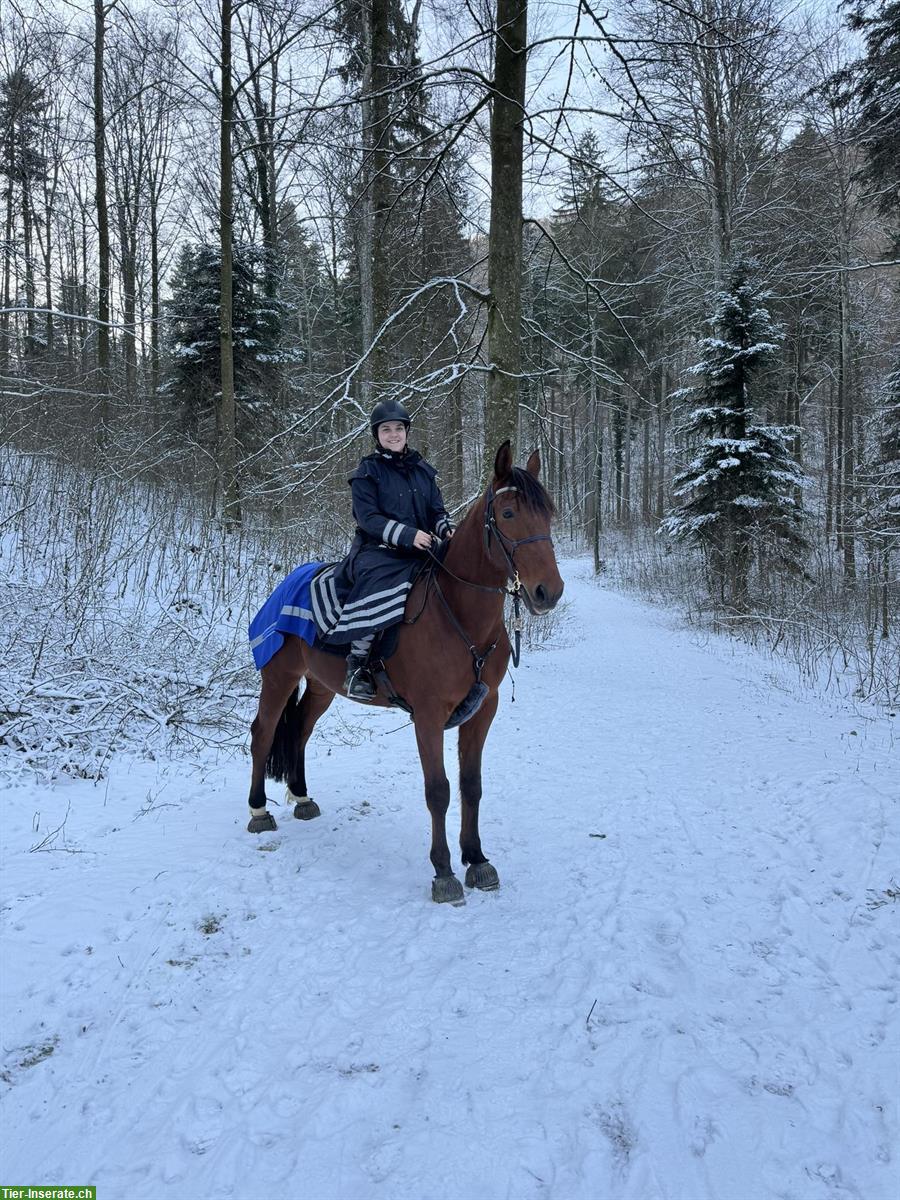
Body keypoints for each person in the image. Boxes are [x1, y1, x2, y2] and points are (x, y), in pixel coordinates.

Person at [333, 400, 454, 699]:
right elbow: (367, 518)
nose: (393, 434)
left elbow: (436, 511)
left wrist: (447, 530)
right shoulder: (367, 471)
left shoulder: (423, 470)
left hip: (421, 549)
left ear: (407, 432)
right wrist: (408, 535)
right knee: (375, 585)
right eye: (386, 430)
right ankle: (358, 664)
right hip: (379, 549)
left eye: (398, 428)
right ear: (377, 435)